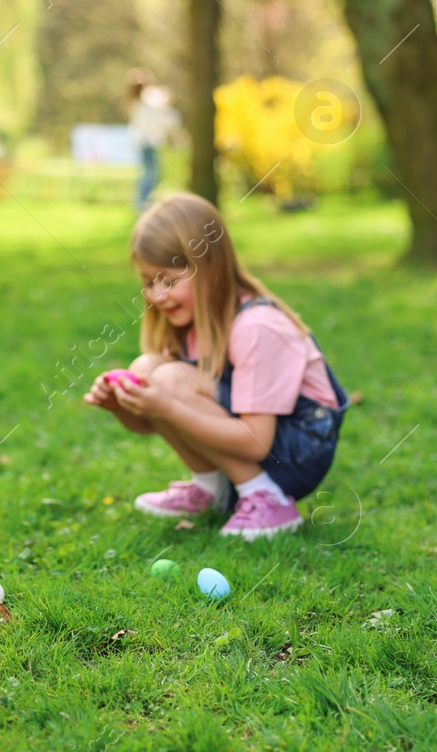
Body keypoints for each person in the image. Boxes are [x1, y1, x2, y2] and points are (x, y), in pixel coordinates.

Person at [84, 192, 350, 540]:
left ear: (209, 268)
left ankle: (266, 497)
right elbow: (155, 423)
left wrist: (166, 404)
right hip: (257, 441)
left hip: (295, 451)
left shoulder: (257, 326)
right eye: (149, 282)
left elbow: (256, 442)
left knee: (167, 380)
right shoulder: (190, 324)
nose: (157, 295)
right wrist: (121, 405)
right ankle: (212, 490)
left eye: (169, 279)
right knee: (147, 368)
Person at [125, 69, 176, 212]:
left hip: (147, 142)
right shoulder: (142, 103)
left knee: (150, 173)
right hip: (147, 142)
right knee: (151, 173)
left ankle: (143, 201)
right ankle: (142, 202)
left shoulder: (141, 102)